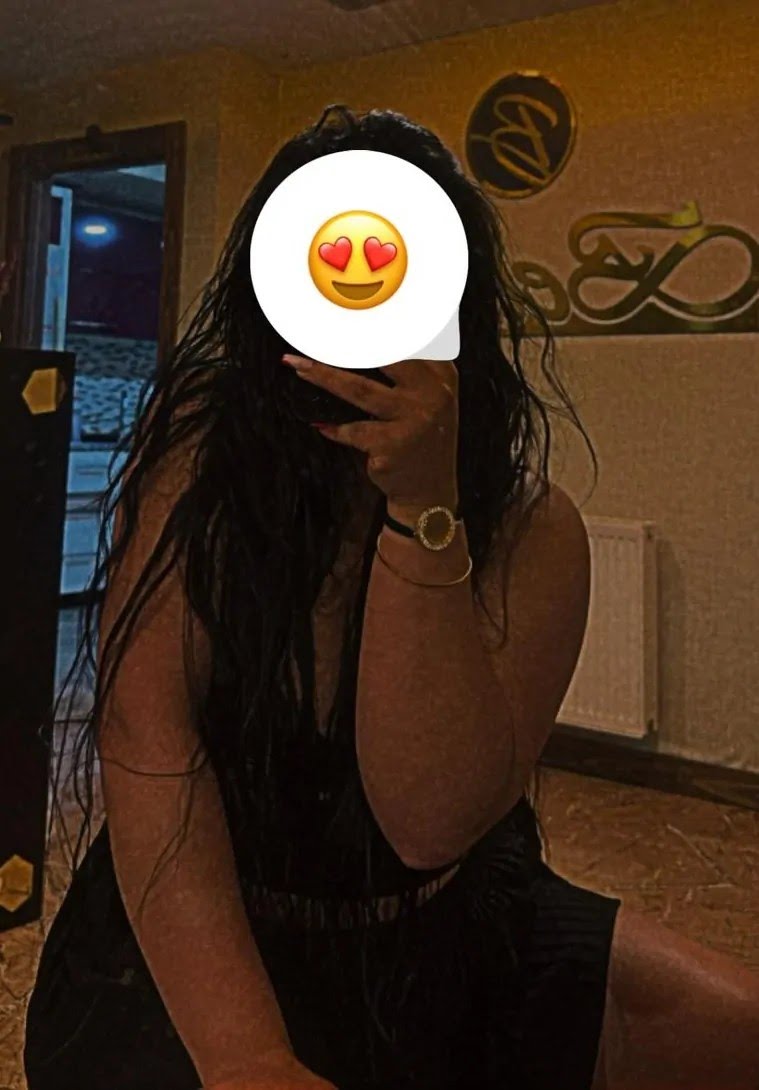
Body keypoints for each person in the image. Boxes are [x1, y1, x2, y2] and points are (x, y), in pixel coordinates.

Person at [24, 105, 759, 1090]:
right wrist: (245, 1052)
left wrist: (423, 508)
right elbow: (148, 741)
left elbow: (428, 821)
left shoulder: (534, 529)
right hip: (207, 919)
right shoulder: (199, 474)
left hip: (448, 924)